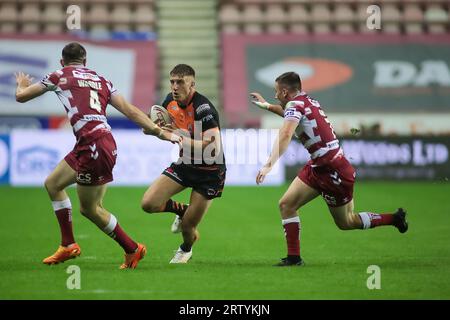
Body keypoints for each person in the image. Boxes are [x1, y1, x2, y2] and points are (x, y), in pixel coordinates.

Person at [15, 42, 180, 269]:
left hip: (92, 147)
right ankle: (68, 244)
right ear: (85, 62)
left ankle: (132, 249)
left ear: (62, 62)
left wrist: (21, 85)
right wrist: (158, 131)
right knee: (53, 184)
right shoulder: (100, 79)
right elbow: (129, 110)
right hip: (98, 143)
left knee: (90, 209)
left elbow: (21, 97)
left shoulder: (59, 75)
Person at [251, 72, 408, 267]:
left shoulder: (295, 105)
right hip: (319, 166)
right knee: (286, 205)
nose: (275, 96)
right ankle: (294, 258)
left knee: (347, 222)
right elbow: (289, 115)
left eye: (276, 92)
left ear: (284, 92)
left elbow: (285, 133)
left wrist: (268, 165)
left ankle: (394, 218)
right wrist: (266, 106)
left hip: (334, 171)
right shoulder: (306, 101)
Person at [141, 64, 226, 264]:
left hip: (210, 172)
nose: (175, 87)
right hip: (186, 164)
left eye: (180, 82)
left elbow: (212, 146)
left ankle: (185, 249)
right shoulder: (170, 101)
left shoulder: (204, 109)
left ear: (192, 84)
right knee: (148, 204)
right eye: (172, 82)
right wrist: (152, 129)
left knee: (188, 228)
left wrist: (178, 137)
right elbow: (159, 127)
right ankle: (181, 209)